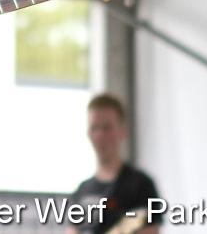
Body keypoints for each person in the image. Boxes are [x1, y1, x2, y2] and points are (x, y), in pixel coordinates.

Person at [68, 94, 161, 234]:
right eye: (94, 128)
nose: (100, 135)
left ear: (123, 131)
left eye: (107, 128)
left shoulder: (140, 186)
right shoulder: (81, 191)